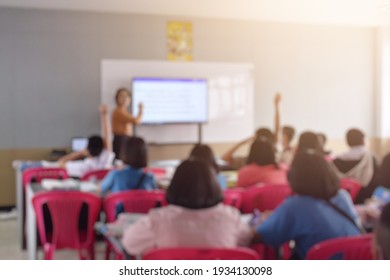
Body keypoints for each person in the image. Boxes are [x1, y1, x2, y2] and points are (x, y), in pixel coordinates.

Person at [121, 159, 252, 256]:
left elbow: (129, 243)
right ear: (214, 186)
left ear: (175, 186)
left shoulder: (157, 220)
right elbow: (246, 240)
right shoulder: (230, 217)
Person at [252, 150, 362, 259]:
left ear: (294, 177)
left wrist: (263, 220)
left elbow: (261, 236)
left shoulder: (295, 206)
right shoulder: (342, 196)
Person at [56, 105, 115, 178]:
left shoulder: (83, 166)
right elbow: (107, 137)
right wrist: (104, 114)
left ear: (87, 148)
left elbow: (60, 162)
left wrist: (79, 153)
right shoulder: (105, 161)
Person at [332, 128, 380, 204]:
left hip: (344, 199)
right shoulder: (371, 157)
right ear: (363, 140)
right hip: (366, 198)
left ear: (348, 142)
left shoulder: (337, 160)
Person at [111, 88, 143, 159]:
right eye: (121, 96)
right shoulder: (119, 111)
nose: (124, 99)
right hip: (121, 140)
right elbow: (136, 121)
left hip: (125, 139)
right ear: (117, 99)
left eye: (126, 96)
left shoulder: (124, 111)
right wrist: (141, 110)